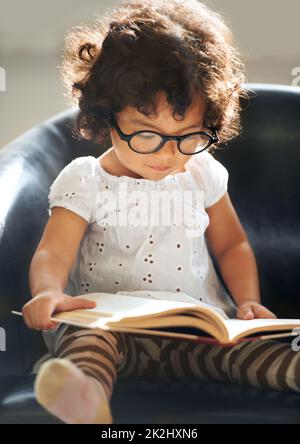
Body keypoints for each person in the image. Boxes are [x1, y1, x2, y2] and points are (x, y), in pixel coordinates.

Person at [22, 0, 300, 424]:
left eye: (187, 136)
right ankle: (82, 398)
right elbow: (53, 253)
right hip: (113, 332)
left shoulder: (201, 171)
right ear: (107, 117)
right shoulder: (86, 180)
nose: (169, 154)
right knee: (86, 342)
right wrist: (48, 291)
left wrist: (247, 304)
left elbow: (232, 244)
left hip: (194, 337)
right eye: (147, 136)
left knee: (253, 354)